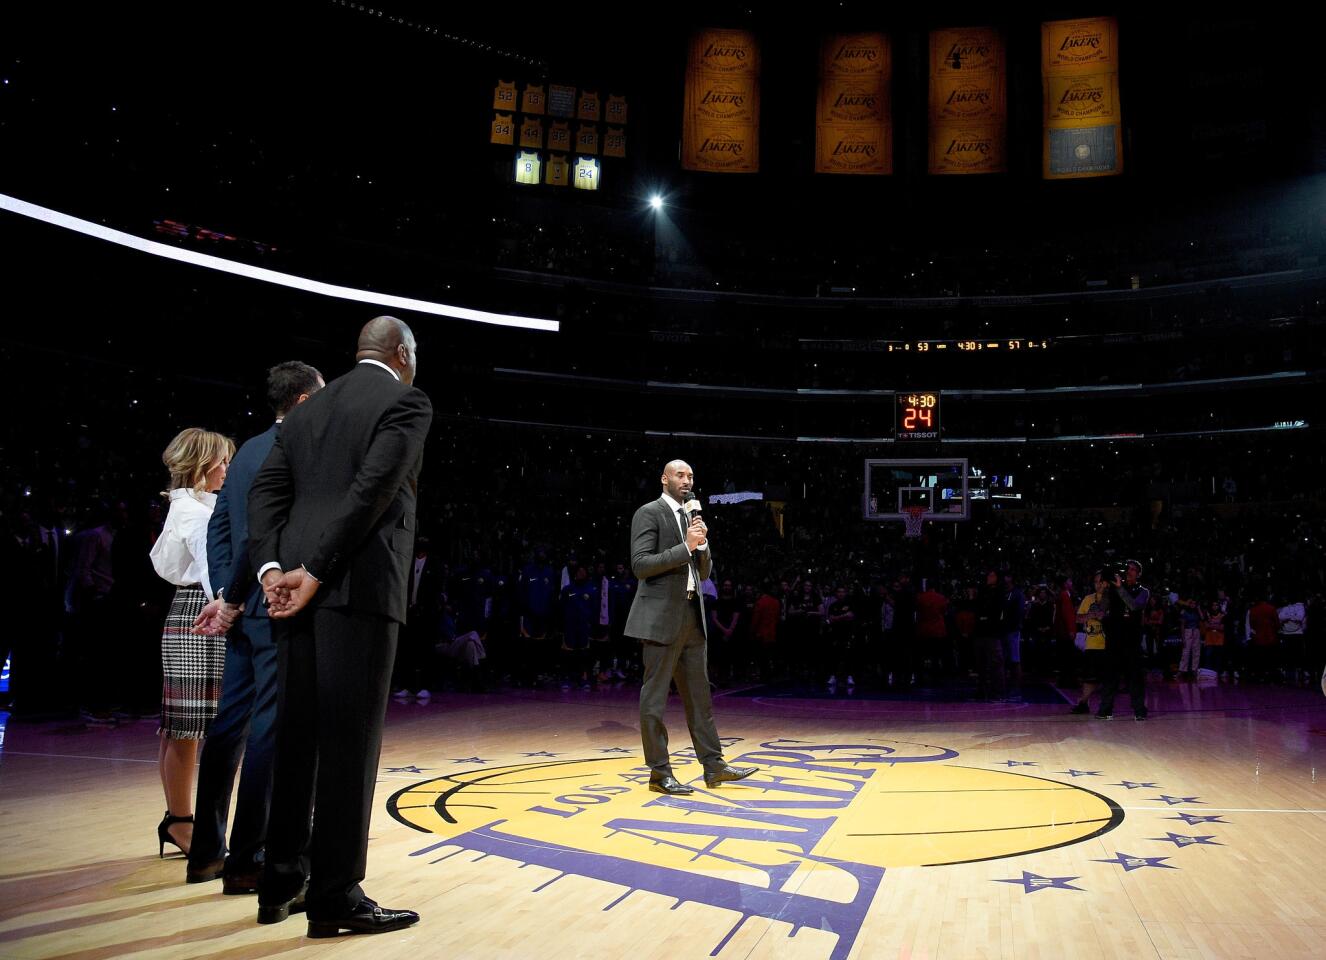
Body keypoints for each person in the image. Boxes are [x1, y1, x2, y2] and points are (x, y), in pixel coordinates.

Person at [248, 317, 430, 936]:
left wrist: (275, 568)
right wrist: (316, 571)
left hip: (291, 591)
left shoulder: (304, 411)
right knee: (351, 745)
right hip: (355, 589)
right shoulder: (406, 400)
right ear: (402, 353)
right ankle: (334, 894)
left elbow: (266, 495)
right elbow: (372, 491)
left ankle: (280, 880)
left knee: (296, 736)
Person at [188, 361, 323, 892]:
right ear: (308, 401)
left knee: (227, 726)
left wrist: (225, 597)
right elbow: (256, 536)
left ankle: (206, 852)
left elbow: (221, 532)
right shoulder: (295, 452)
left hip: (243, 606)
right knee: (269, 730)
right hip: (272, 605)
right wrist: (243, 595)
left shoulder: (244, 450)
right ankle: (248, 858)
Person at [625, 460, 757, 796]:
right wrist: (685, 545)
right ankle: (659, 774)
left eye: (691, 476)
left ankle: (714, 766)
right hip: (659, 618)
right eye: (680, 475)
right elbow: (640, 565)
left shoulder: (690, 517)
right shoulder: (649, 512)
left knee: (700, 699)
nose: (687, 480)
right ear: (664, 479)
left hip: (691, 616)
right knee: (654, 700)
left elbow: (705, 572)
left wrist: (702, 543)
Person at [149, 427, 236, 857]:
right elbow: (209, 568)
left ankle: (177, 819)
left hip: (186, 612)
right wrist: (225, 606)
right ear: (200, 466)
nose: (226, 468)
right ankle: (182, 822)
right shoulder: (194, 512)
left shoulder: (190, 505)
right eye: (221, 461)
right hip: (200, 614)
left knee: (178, 727)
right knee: (186, 728)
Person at [1096, 560, 1150, 720]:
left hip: (1132, 639)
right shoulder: (1113, 588)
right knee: (1110, 676)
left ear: (1139, 574)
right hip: (1114, 638)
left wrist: (1119, 588)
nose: (1130, 571)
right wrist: (1105, 590)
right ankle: (1105, 710)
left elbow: (1134, 606)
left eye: (1134, 570)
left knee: (1135, 677)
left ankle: (1139, 711)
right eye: (1128, 569)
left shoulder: (1143, 591)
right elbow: (1101, 610)